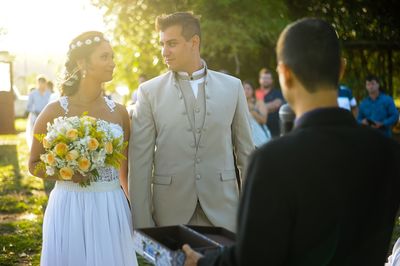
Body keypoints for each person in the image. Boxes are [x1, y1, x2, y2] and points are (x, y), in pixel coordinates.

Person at [183, 18, 400, 266]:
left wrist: (202, 263)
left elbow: (253, 259)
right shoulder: (388, 152)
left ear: (285, 74)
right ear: (341, 68)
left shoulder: (272, 161)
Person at [129, 12, 253, 232]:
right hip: (170, 215)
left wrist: (251, 213)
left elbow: (245, 154)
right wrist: (143, 227)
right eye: (162, 44)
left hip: (225, 213)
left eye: (172, 44)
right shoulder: (149, 92)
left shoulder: (233, 87)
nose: (164, 52)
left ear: (194, 42)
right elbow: (140, 164)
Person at [28, 31, 137, 266]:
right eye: (104, 57)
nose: (112, 63)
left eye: (112, 56)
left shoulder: (119, 112)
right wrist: (65, 172)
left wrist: (135, 213)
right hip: (69, 206)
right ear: (82, 62)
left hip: (110, 206)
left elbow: (124, 172)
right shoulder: (54, 111)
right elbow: (33, 164)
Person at [256, 68, 284, 137]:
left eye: (268, 78)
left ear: (271, 80)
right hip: (259, 132)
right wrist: (270, 106)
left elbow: (276, 104)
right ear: (260, 80)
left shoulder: (277, 92)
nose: (265, 80)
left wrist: (258, 109)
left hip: (276, 131)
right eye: (264, 78)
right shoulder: (256, 93)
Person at [243, 80, 271, 148]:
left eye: (248, 88)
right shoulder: (240, 103)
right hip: (245, 138)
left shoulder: (259, 103)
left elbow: (264, 120)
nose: (246, 91)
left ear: (253, 90)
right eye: (244, 88)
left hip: (259, 137)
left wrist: (252, 110)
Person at [26, 75, 51, 148]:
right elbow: (28, 107)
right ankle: (34, 147)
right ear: (37, 83)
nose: (41, 85)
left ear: (45, 83)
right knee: (35, 133)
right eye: (40, 83)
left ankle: (45, 147)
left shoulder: (49, 93)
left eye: (43, 83)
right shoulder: (33, 93)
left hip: (46, 116)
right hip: (35, 116)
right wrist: (34, 111)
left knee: (46, 132)